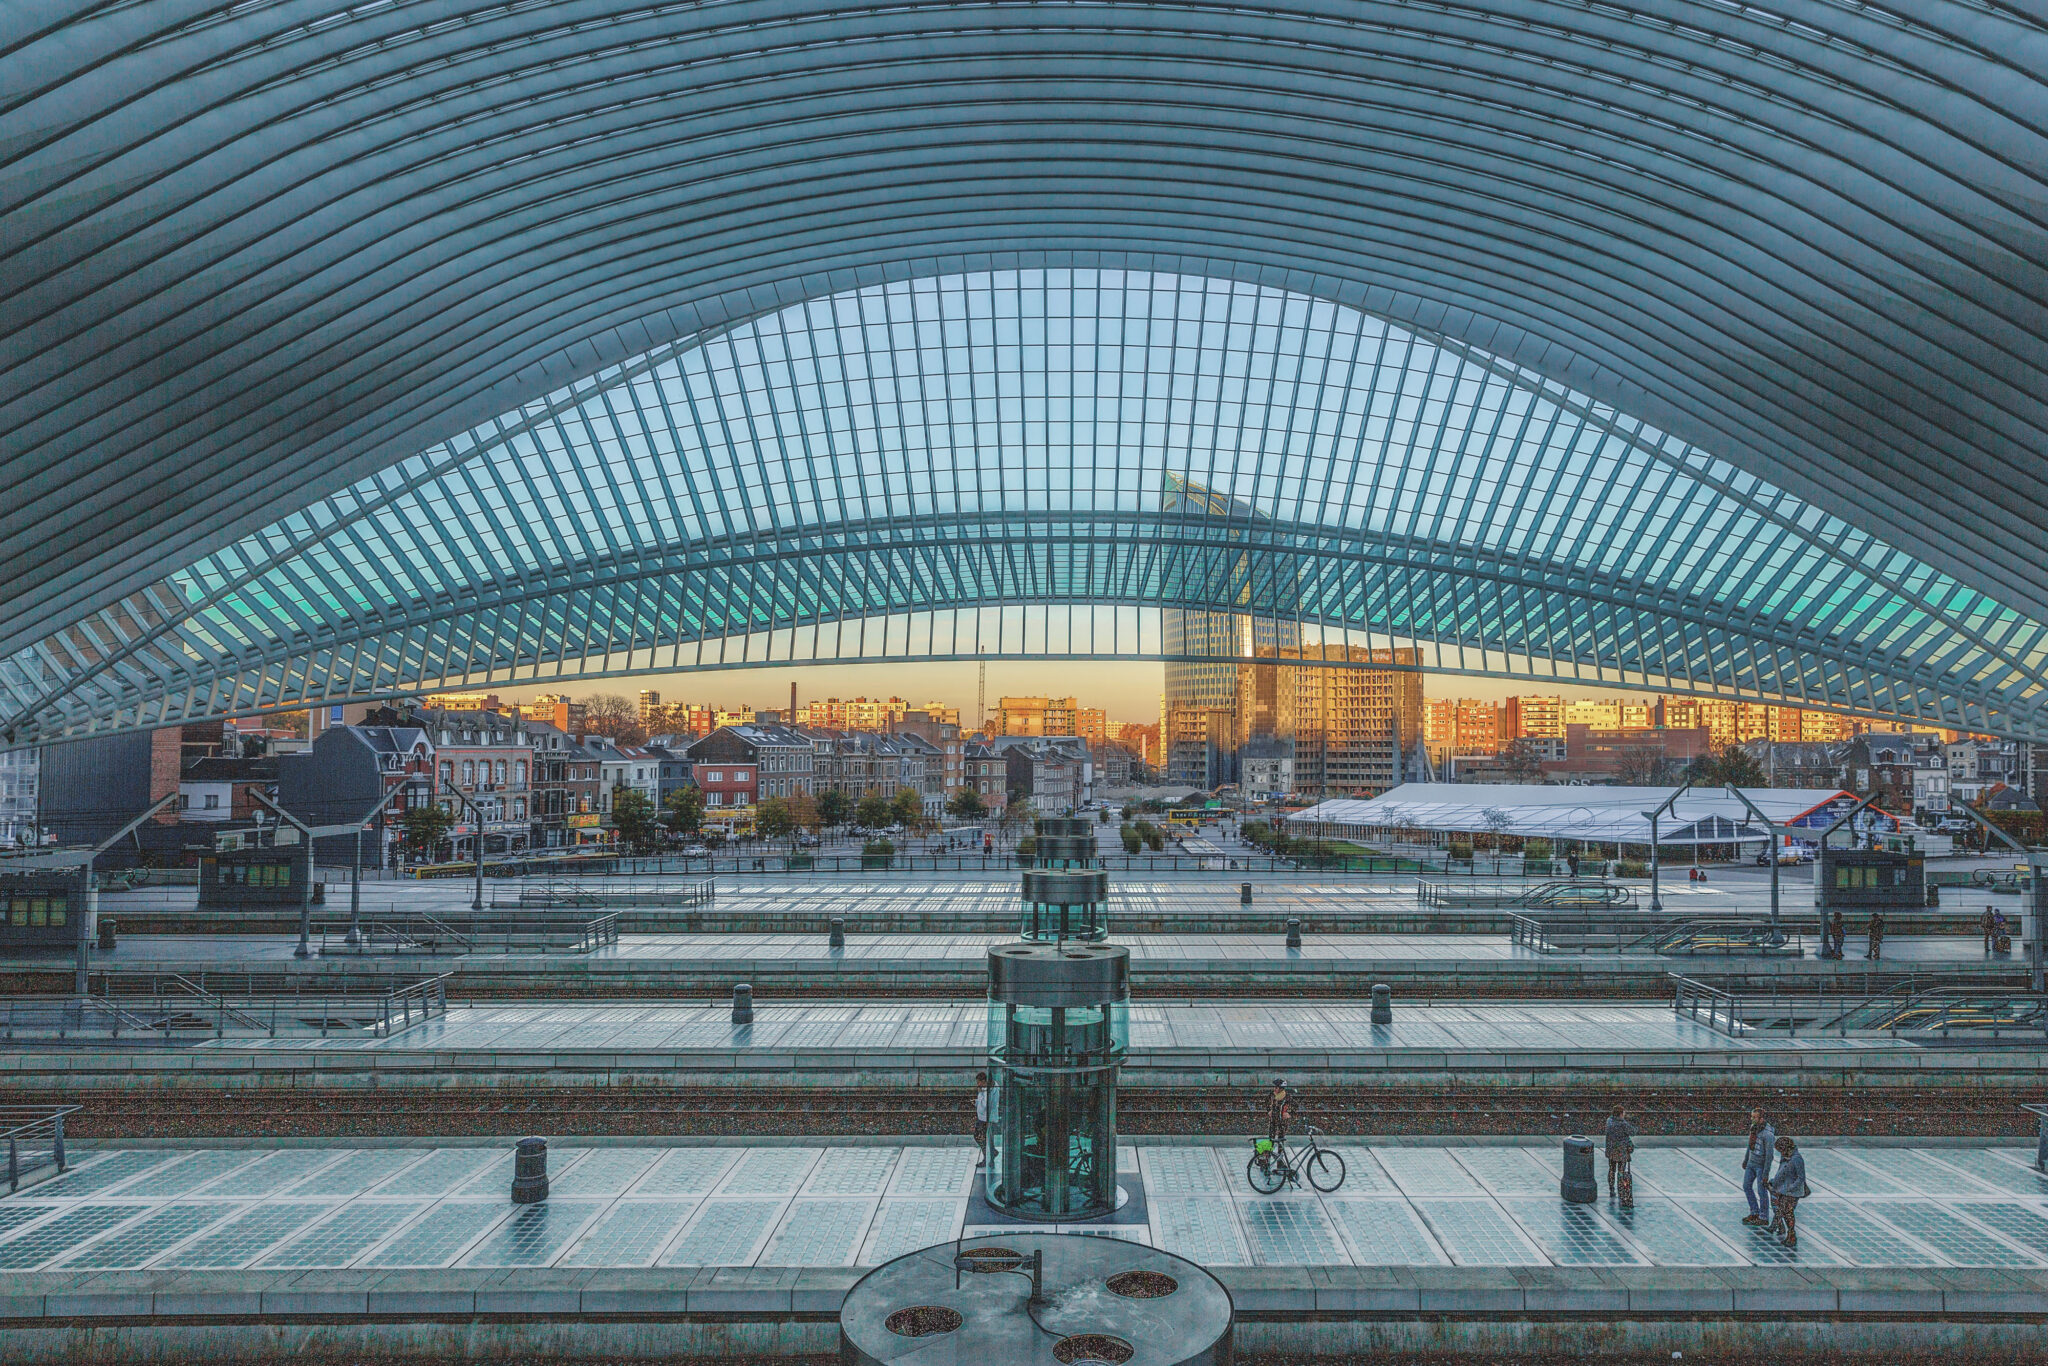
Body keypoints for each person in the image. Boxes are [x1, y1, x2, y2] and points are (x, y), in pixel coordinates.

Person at [1766, 1135, 1809, 1250]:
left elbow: (1801, 1178)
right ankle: (1788, 1234)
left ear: (1786, 1148)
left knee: (1788, 1213)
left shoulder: (1796, 1159)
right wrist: (1774, 1182)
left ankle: (1791, 1236)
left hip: (1792, 1192)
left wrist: (1791, 1188)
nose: (1780, 1153)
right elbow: (1781, 1171)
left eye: (1781, 1150)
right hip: (1783, 1190)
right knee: (1784, 1212)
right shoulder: (1786, 1157)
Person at [1740, 1109, 1776, 1226]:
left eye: (1755, 1117)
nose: (1752, 1119)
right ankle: (1754, 1211)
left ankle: (1763, 1216)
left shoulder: (1768, 1134)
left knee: (1762, 1191)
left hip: (1760, 1165)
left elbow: (1769, 1156)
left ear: (1761, 1119)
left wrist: (1766, 1173)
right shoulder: (1753, 1128)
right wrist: (1746, 1159)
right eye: (1752, 1117)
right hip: (1751, 1163)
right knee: (1746, 1186)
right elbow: (1749, 1145)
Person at [1603, 1105, 1636, 1208]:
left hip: (1611, 1151)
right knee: (1621, 1171)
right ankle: (1621, 1190)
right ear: (1621, 1114)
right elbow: (1633, 1132)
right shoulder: (1623, 1124)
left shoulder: (1609, 1121)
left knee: (1612, 1169)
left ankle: (1611, 1188)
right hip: (1621, 1152)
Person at [1261, 1078, 1293, 1166]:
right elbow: (1266, 1102)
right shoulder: (1272, 1095)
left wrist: (1288, 1113)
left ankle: (1280, 1161)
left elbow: (1294, 1106)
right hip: (1273, 1121)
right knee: (1270, 1140)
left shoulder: (1287, 1096)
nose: (1275, 1089)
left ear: (1281, 1088)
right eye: (1275, 1087)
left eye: (1277, 1087)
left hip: (1282, 1123)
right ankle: (1267, 1160)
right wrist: (1268, 1110)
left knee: (1280, 1142)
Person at [972, 1072, 990, 1164]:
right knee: (981, 1137)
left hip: (983, 1118)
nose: (977, 1084)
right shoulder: (984, 1090)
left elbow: (984, 1106)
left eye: (978, 1082)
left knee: (979, 1136)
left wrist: (979, 1094)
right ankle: (989, 1154)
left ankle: (988, 1155)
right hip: (982, 1117)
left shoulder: (986, 1092)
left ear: (983, 1081)